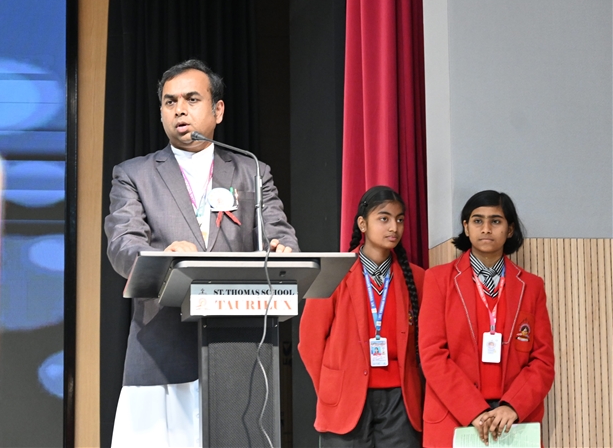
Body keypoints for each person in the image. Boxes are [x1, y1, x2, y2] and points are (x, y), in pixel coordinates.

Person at [104, 59, 298, 447]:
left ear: (218, 110)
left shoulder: (251, 171)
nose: (180, 109)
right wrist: (161, 257)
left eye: (192, 99)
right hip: (161, 351)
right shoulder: (134, 174)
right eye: (170, 101)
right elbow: (123, 244)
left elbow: (279, 235)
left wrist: (283, 250)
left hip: (238, 350)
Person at [418, 190, 555, 447]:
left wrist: (513, 406)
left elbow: (543, 360)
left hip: (513, 420)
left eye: (496, 221)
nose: (486, 228)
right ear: (466, 227)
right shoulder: (438, 280)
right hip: (454, 416)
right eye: (478, 220)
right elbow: (432, 355)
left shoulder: (532, 286)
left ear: (510, 229)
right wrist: (473, 409)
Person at [299, 185, 424, 447]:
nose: (394, 227)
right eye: (384, 218)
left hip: (401, 402)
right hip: (346, 398)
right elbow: (310, 343)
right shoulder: (332, 273)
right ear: (362, 224)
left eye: (400, 220)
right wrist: (332, 390)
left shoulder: (418, 277)